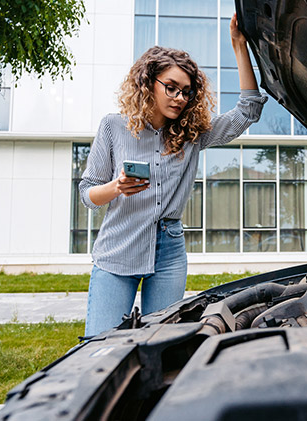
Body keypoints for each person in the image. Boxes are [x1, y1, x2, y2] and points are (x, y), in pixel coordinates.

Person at [80, 14, 266, 336]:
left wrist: (239, 45)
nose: (180, 98)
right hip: (118, 246)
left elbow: (248, 110)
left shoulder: (192, 134)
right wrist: (116, 187)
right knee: (101, 343)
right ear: (147, 83)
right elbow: (88, 193)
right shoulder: (113, 126)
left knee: (160, 343)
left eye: (186, 92)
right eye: (171, 88)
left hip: (169, 249)